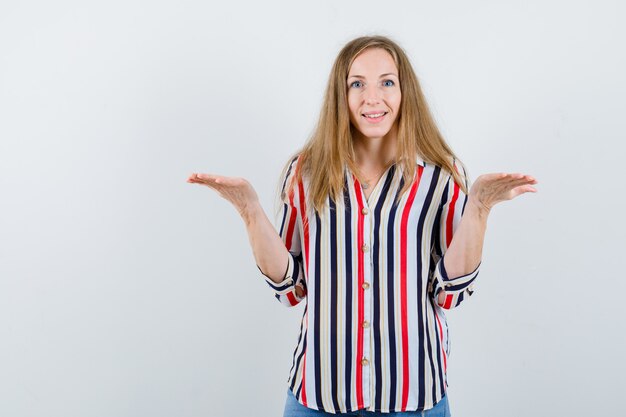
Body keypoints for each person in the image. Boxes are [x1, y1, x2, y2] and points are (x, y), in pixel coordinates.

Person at [187, 35, 537, 416]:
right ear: (341, 95)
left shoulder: (442, 175)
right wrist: (250, 210)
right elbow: (291, 287)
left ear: (405, 93)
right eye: (357, 84)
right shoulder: (306, 171)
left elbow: (448, 294)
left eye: (387, 82)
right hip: (318, 397)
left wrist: (480, 207)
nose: (373, 98)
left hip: (412, 398)